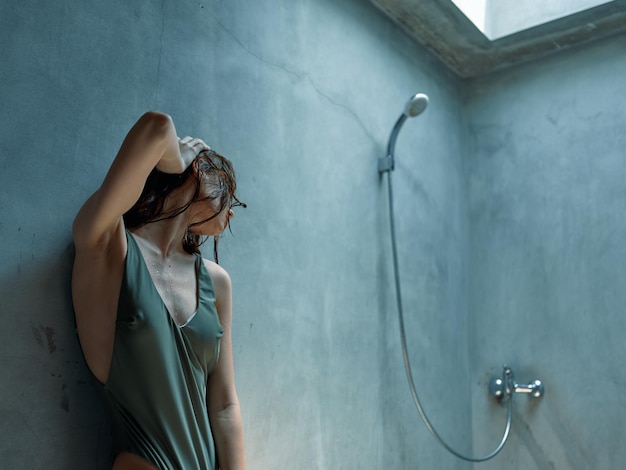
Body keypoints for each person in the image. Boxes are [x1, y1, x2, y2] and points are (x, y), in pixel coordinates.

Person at [71, 111, 246, 469]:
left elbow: (225, 406)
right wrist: (178, 158)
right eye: (227, 193)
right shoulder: (109, 246)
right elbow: (156, 127)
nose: (232, 214)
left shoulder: (216, 283)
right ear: (198, 172)